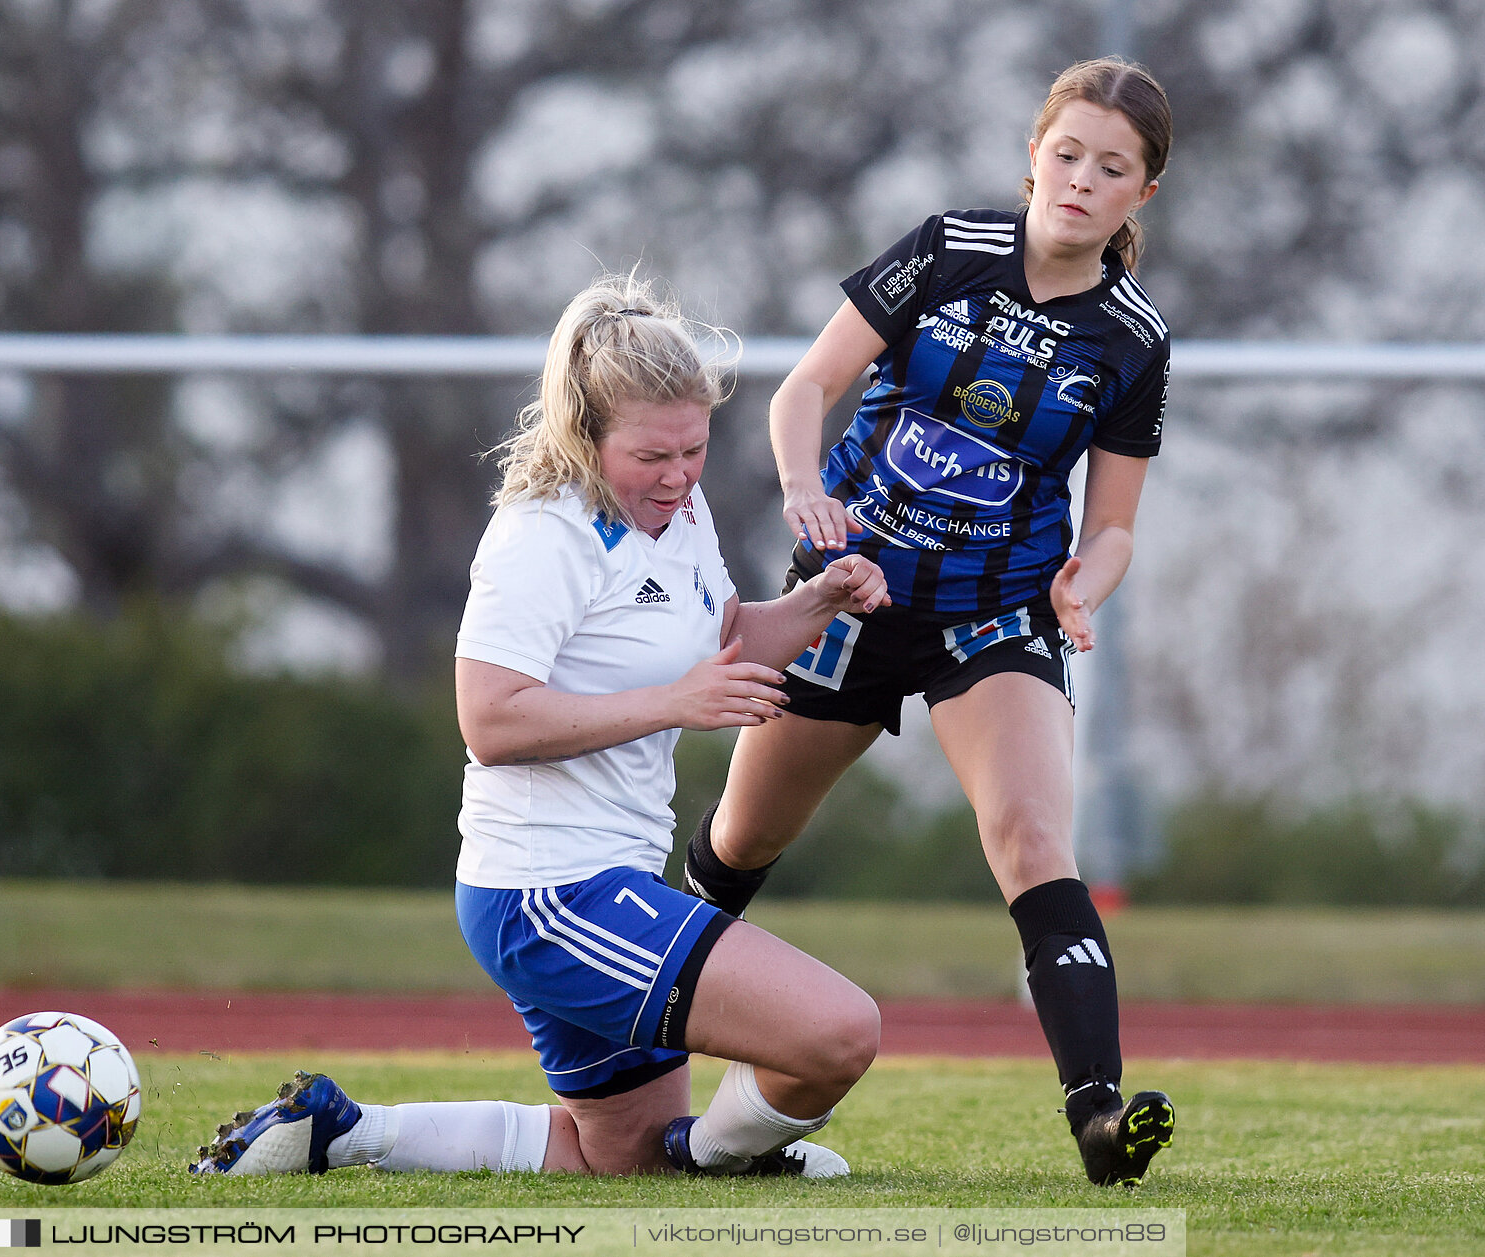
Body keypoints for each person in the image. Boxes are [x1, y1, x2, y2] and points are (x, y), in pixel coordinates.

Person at [190, 273, 889, 1179]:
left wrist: (819, 601)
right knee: (840, 1032)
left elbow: (719, 641)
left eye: (696, 448)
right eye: (653, 456)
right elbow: (489, 719)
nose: (679, 476)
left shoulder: (677, 512)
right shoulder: (543, 536)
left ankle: (342, 1130)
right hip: (547, 893)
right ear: (587, 437)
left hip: (604, 880)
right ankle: (723, 1158)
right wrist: (674, 704)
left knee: (624, 1161)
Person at [678, 57, 1178, 1186]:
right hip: (852, 591)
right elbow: (804, 388)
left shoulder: (1134, 340)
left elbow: (1114, 528)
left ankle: (1099, 1123)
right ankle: (628, 1073)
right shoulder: (947, 248)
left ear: (1141, 196)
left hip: (994, 616)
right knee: (741, 841)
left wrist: (1082, 588)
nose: (1082, 181)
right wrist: (807, 489)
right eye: (1068, 155)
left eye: (1113, 169)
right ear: (1034, 156)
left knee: (1035, 844)